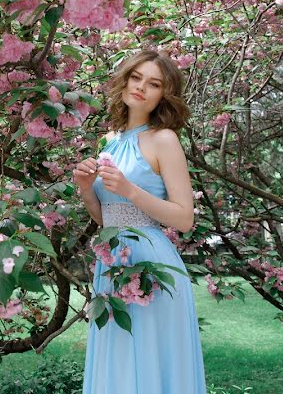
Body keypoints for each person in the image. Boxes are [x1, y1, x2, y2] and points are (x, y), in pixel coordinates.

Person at [75, 49, 207, 393]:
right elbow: (106, 216)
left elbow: (184, 218)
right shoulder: (108, 140)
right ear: (125, 80)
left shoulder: (164, 139)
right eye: (136, 78)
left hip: (150, 262)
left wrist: (131, 190)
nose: (141, 88)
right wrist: (87, 189)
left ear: (164, 94)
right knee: (117, 357)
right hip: (112, 259)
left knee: (149, 357)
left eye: (153, 84)